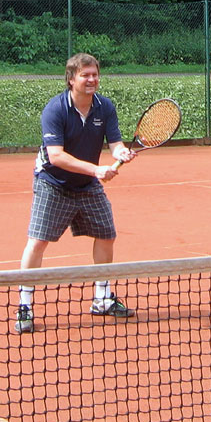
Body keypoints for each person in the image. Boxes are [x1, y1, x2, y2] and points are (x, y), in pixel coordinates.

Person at [13, 53, 136, 334]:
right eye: (85, 75)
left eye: (95, 74)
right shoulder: (55, 109)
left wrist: (120, 153)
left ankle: (102, 298)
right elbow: (56, 156)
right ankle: (24, 305)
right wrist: (96, 170)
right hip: (52, 183)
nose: (92, 80)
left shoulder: (105, 107)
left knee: (106, 234)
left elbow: (115, 143)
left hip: (87, 185)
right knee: (38, 241)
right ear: (71, 79)